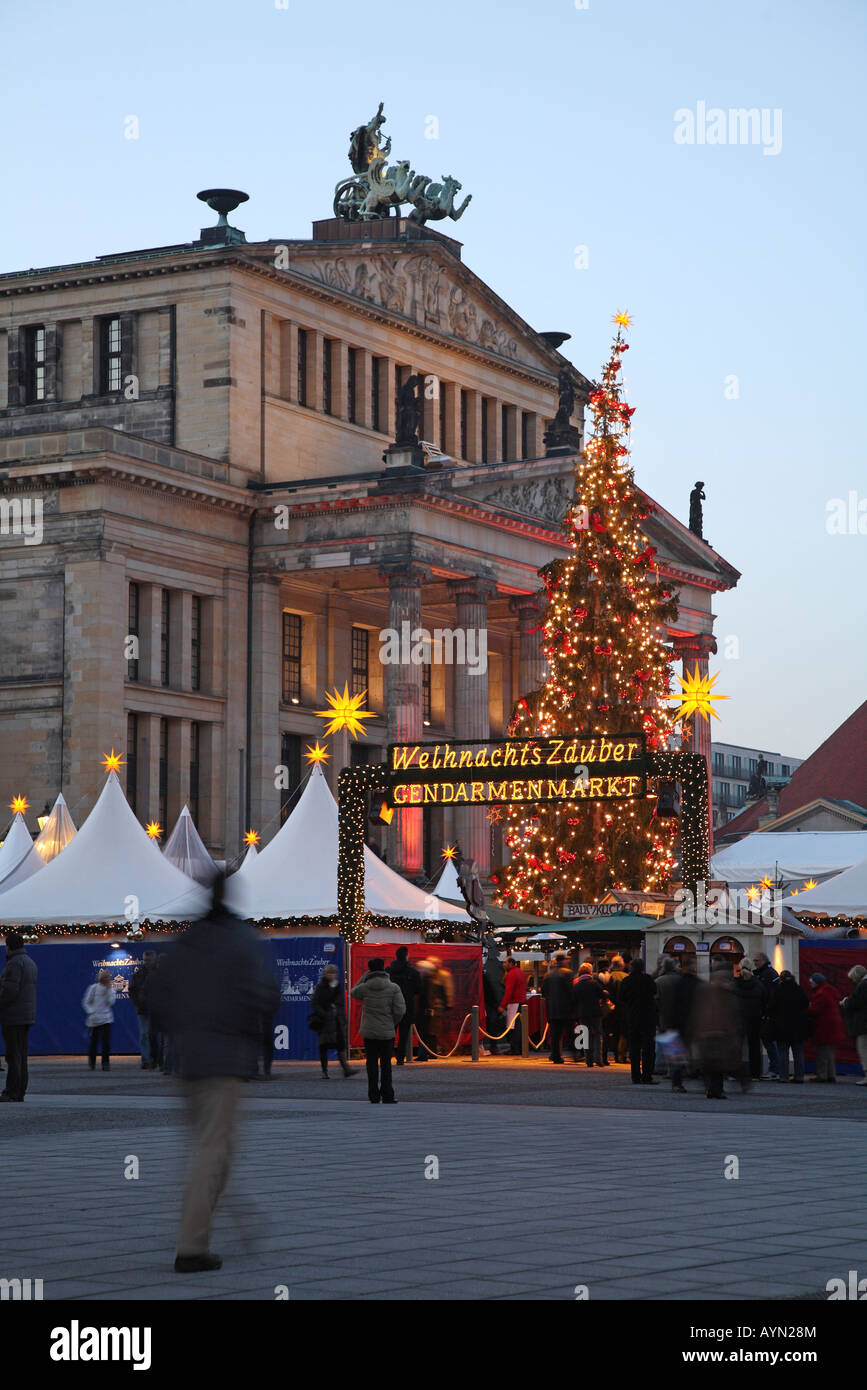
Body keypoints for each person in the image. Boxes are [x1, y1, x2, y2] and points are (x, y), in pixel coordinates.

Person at [148, 875, 280, 1273]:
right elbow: (265, 995)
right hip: (224, 1061)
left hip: (188, 1059)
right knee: (213, 1151)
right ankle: (191, 1246)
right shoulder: (239, 940)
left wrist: (182, 1029)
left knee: (208, 1149)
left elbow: (156, 996)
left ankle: (224, 1219)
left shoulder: (187, 941)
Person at [350, 957, 405, 1104]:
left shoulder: (365, 987)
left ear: (370, 970)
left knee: (371, 1063)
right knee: (386, 1064)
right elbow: (400, 1010)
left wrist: (364, 977)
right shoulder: (393, 988)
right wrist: (392, 1022)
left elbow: (353, 992)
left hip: (369, 1031)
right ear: (383, 969)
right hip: (387, 1030)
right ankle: (388, 1094)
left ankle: (373, 1095)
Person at [693, 963, 746, 1099]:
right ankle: (711, 1088)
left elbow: (734, 1013)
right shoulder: (705, 990)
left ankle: (717, 1089)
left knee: (718, 1064)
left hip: (722, 1033)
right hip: (707, 1033)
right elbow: (698, 1012)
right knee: (709, 1064)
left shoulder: (729, 992)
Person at [0, 930, 38, 1103]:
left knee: (13, 1055)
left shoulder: (14, 964)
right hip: (26, 1015)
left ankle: (12, 1091)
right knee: (21, 1055)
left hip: (13, 1015)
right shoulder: (30, 963)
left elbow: (9, 990)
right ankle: (20, 1090)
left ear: (8, 947)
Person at [310, 965, 356, 1079]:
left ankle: (346, 1069)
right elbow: (315, 1003)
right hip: (324, 1021)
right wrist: (323, 1013)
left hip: (336, 1021)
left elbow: (341, 1004)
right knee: (324, 1046)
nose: (331, 975)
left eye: (333, 973)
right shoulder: (320, 987)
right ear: (325, 974)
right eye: (329, 973)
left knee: (340, 1045)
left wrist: (342, 1018)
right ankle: (324, 1071)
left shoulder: (338, 986)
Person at [619, 958, 658, 1085]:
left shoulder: (626, 981)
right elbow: (654, 992)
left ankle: (635, 1076)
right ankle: (647, 1076)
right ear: (642, 967)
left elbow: (621, 998)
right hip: (647, 1017)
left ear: (631, 967)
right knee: (648, 1048)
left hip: (632, 1017)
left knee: (634, 1048)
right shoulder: (647, 979)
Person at [767, 969, 810, 1082]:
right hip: (798, 1026)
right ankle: (799, 1076)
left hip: (782, 1026)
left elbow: (771, 1007)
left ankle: (784, 1076)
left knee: (783, 1053)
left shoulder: (778, 990)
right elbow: (806, 1004)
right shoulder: (799, 989)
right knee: (798, 1053)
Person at [668, 956, 701, 1092]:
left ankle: (677, 1083)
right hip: (694, 1024)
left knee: (679, 1056)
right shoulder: (698, 984)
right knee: (699, 1054)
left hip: (680, 1024)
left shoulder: (677, 983)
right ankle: (705, 1082)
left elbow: (672, 1005)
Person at [807, 972, 845, 1083]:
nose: (810, 984)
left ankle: (822, 1075)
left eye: (811, 982)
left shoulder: (821, 993)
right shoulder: (830, 990)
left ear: (816, 982)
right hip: (833, 1025)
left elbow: (815, 1010)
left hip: (824, 1026)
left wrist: (806, 1008)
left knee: (823, 1052)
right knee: (830, 1052)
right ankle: (831, 1074)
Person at [387, 946, 421, 1064]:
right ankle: (400, 1058)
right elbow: (418, 989)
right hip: (407, 1005)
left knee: (390, 1032)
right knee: (404, 1034)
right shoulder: (412, 972)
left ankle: (387, 1056)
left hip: (391, 1005)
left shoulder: (388, 971)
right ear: (406, 956)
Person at [541, 954, 575, 1064]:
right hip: (566, 1008)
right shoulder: (568, 973)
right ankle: (575, 1053)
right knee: (570, 1032)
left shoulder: (548, 974)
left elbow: (544, 992)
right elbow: (571, 991)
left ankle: (555, 1055)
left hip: (552, 1009)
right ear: (563, 961)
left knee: (555, 1034)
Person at [734, 961, 765, 1081]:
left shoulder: (735, 982)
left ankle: (735, 1073)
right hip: (755, 1019)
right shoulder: (758, 983)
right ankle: (755, 1073)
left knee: (737, 1047)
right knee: (755, 1047)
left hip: (738, 1018)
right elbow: (764, 1000)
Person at [129, 949, 159, 1070]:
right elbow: (132, 991)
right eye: (145, 960)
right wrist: (137, 1004)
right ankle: (146, 1060)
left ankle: (156, 1059)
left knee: (154, 1035)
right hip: (142, 1010)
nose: (147, 962)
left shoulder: (160, 974)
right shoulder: (138, 975)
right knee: (144, 1035)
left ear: (154, 959)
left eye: (149, 960)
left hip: (157, 1009)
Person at [753, 951, 781, 1079]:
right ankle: (775, 1068)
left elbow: (769, 995)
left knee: (769, 1041)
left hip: (767, 1014)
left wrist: (766, 1010)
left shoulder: (768, 974)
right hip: (766, 1013)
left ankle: (775, 1069)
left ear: (763, 960)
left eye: (757, 960)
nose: (755, 963)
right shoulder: (765, 973)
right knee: (768, 1042)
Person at [572, 961, 605, 1067]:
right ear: (590, 972)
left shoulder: (577, 985)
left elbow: (574, 1000)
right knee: (597, 1034)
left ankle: (588, 1060)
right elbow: (602, 995)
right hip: (595, 1012)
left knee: (585, 1036)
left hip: (582, 1013)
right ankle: (598, 1059)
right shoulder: (594, 983)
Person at [82, 969, 116, 1072]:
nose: (106, 980)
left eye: (107, 978)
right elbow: (86, 1002)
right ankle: (92, 1063)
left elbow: (111, 1002)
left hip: (106, 1019)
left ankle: (105, 1064)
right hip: (94, 1020)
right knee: (94, 1042)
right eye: (104, 978)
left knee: (106, 1043)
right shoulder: (93, 988)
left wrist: (108, 991)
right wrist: (92, 1011)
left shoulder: (111, 989)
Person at [840, 964, 867, 1086]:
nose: (853, 981)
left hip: (863, 1025)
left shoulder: (863, 985)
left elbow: (856, 1002)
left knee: (864, 1050)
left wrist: (845, 1001)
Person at [500, 957, 528, 1054]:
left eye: (505, 962)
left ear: (511, 963)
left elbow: (509, 992)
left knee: (512, 1027)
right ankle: (520, 1048)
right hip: (522, 1002)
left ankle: (514, 1048)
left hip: (514, 1003)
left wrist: (502, 1005)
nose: (503, 964)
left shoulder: (511, 974)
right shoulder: (520, 972)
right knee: (520, 1027)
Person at [607, 955, 629, 1063]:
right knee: (623, 1032)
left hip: (612, 1008)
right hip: (624, 1008)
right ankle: (621, 1055)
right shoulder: (625, 976)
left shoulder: (609, 976)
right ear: (622, 965)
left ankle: (615, 1054)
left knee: (614, 1032)